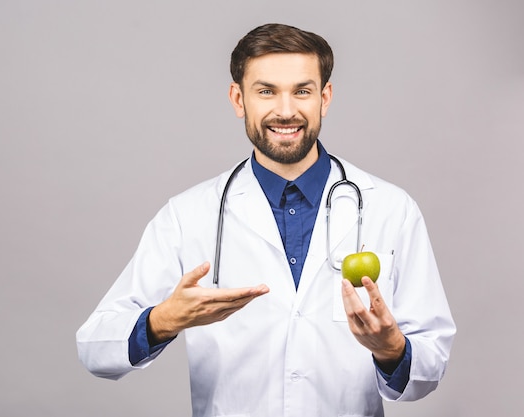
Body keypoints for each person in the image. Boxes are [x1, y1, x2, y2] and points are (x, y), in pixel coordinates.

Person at [76, 23, 456, 417]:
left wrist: (391, 348)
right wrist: (163, 320)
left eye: (302, 91)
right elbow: (94, 347)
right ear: (238, 99)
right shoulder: (187, 215)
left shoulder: (391, 209)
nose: (286, 110)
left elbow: (431, 361)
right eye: (266, 91)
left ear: (325, 97)